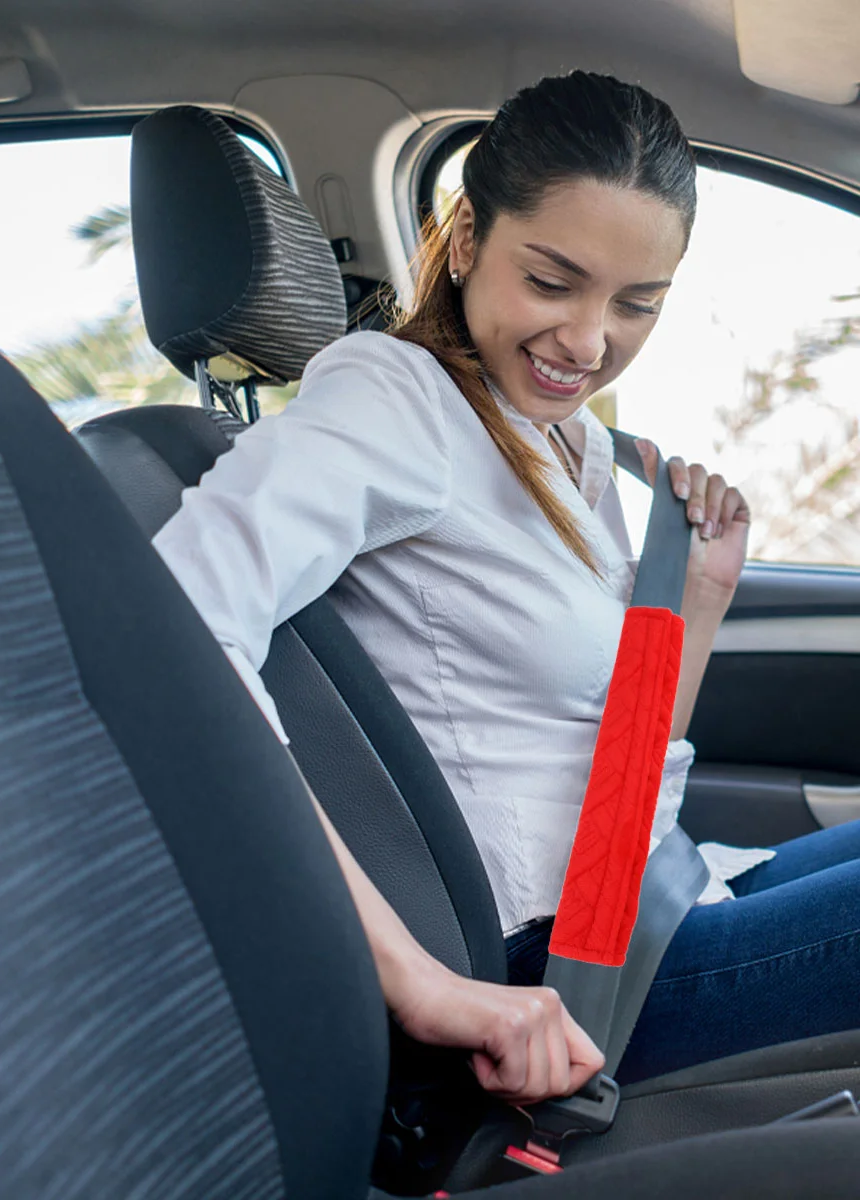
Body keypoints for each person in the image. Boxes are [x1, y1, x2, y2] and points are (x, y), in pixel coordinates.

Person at [152, 71, 860, 1099]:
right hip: (564, 974)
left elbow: (604, 753)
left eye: (636, 304)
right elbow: (179, 624)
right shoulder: (394, 400)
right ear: (471, 236)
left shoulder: (558, 438)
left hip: (651, 892)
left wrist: (696, 600)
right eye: (553, 280)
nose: (587, 340)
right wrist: (422, 986)